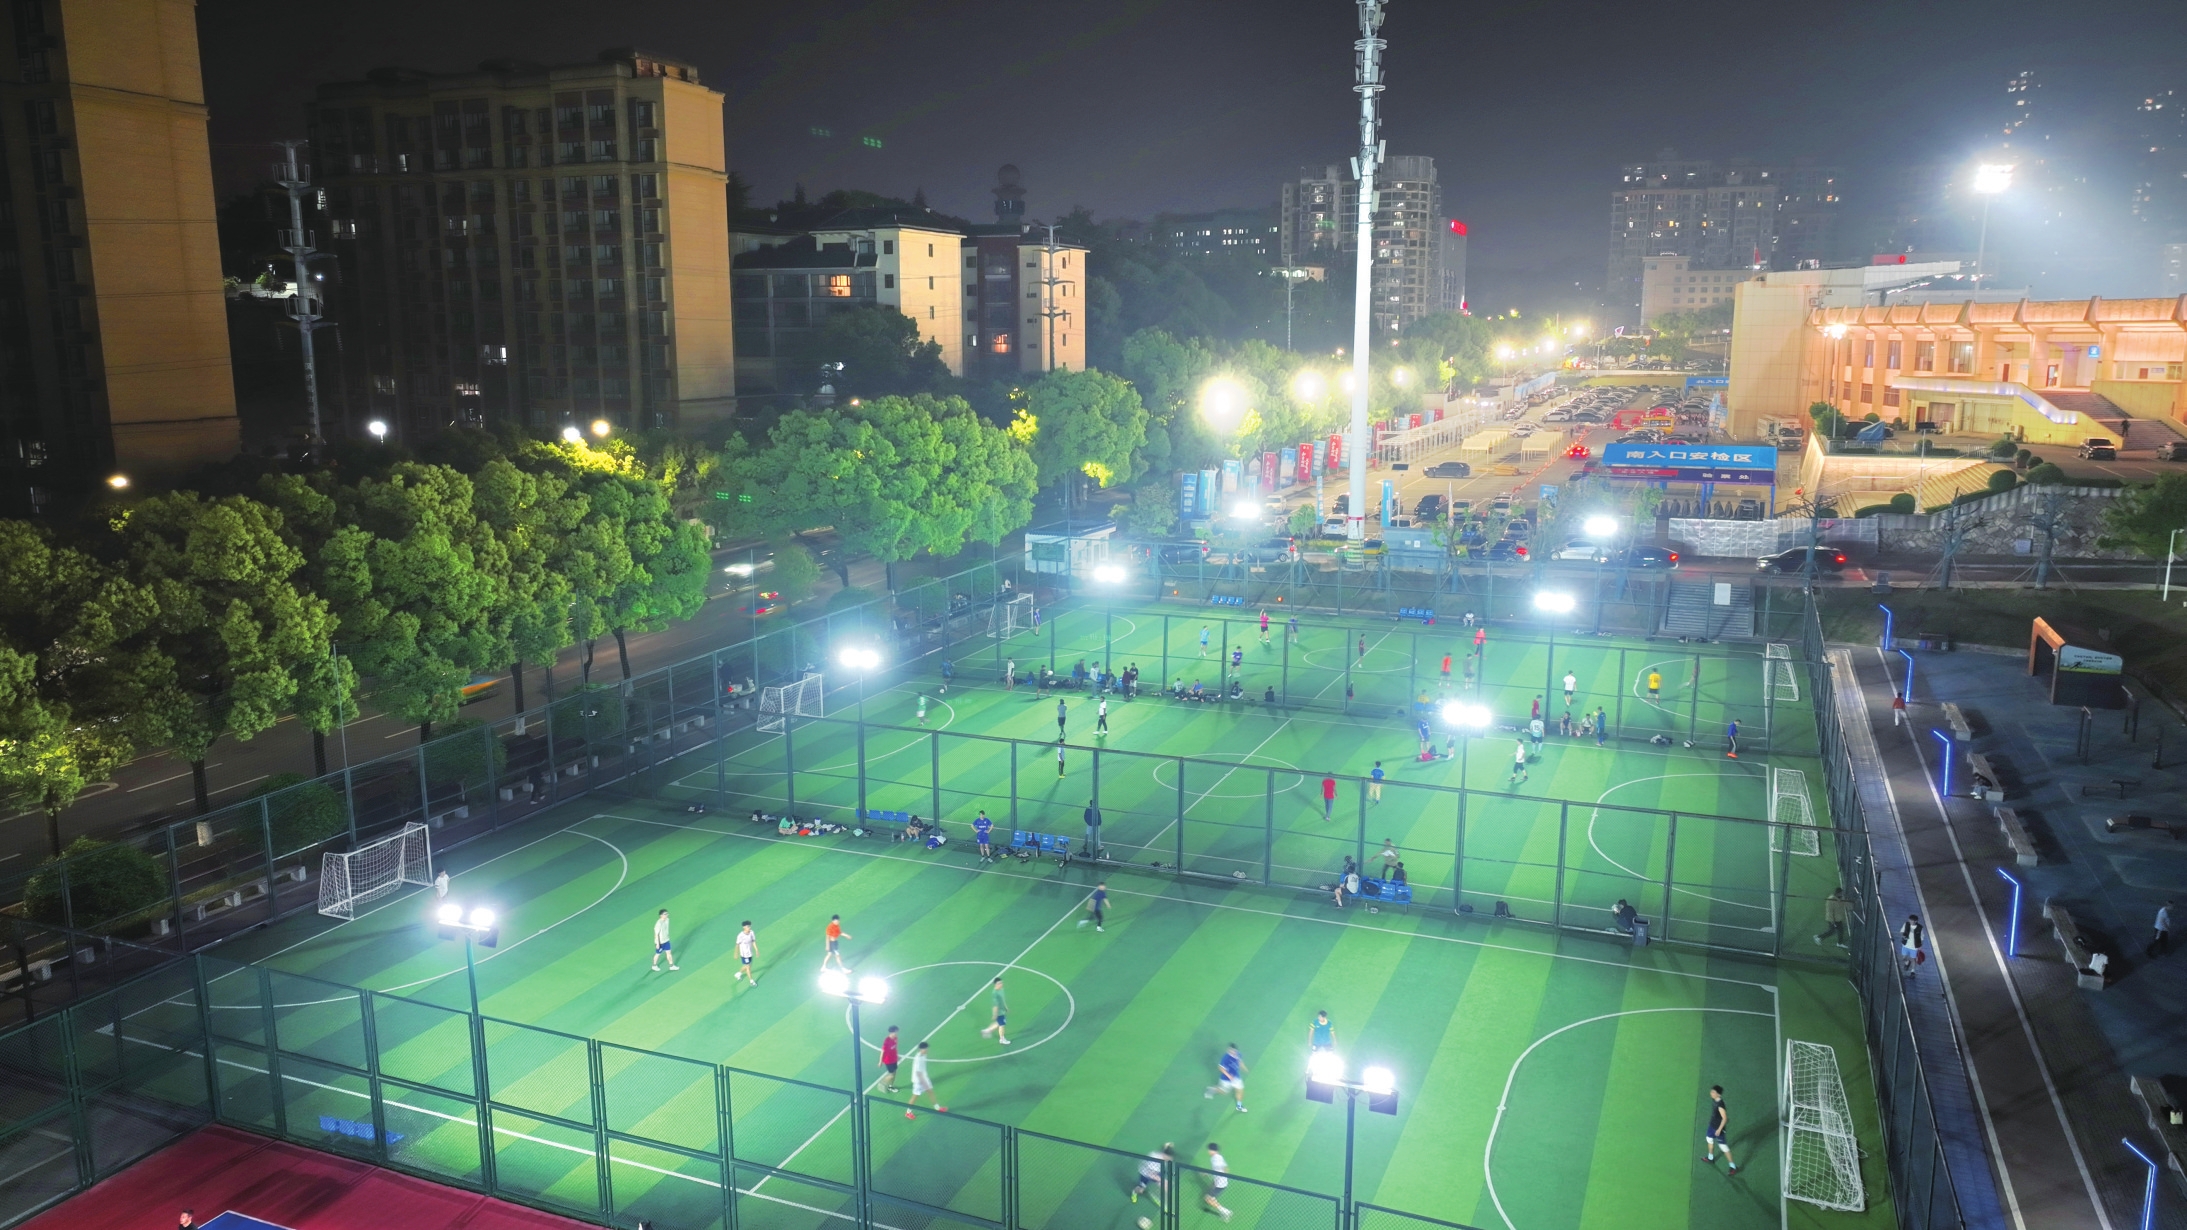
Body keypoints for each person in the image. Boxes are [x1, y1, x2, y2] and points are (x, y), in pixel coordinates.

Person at [904, 1041, 946, 1117]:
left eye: (927, 1048)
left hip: (924, 1078)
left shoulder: (923, 1055)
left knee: (930, 1092)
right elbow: (918, 1072)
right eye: (925, 1048)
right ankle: (908, 1112)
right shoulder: (918, 1059)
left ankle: (937, 1107)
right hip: (918, 1081)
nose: (927, 1050)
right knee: (915, 1096)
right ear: (921, 1049)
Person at [1703, 1086, 1737, 1173]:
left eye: (1713, 1092)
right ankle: (1710, 1158)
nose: (1711, 1093)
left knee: (1723, 1147)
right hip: (1712, 1126)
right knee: (1709, 1139)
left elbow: (1724, 1118)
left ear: (1719, 1094)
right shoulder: (1715, 1100)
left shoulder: (1720, 1105)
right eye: (1711, 1091)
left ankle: (1733, 1167)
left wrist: (1719, 1129)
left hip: (1718, 1129)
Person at [1206, 1044, 1249, 1112]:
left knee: (1240, 1091)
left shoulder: (1239, 1054)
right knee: (1224, 1092)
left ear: (1236, 1050)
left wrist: (1244, 1067)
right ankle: (1213, 1089)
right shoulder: (1226, 1058)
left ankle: (1239, 1106)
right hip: (1226, 1080)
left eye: (1233, 1051)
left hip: (1236, 1078)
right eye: (1230, 1050)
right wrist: (1229, 1076)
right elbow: (1220, 1068)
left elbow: (1240, 1061)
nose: (1231, 1052)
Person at [1203, 1143, 1233, 1221]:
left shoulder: (1215, 1160)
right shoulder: (1219, 1157)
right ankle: (1213, 1198)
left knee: (1207, 1199)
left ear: (1212, 1150)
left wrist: (1218, 1181)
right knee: (1211, 1193)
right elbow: (1226, 1169)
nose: (1208, 1152)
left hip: (1219, 1184)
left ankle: (1226, 1212)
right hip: (1221, 1182)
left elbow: (1219, 1170)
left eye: (1209, 1150)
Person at [979, 976, 1011, 1044]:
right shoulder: (995, 993)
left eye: (1001, 983)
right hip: (999, 1012)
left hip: (1002, 1010)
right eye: (999, 983)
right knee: (1002, 1025)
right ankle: (1002, 1039)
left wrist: (1006, 1007)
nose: (1001, 984)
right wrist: (995, 1014)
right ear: (996, 984)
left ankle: (987, 1030)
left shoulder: (1001, 990)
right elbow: (995, 1005)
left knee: (999, 1023)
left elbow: (1002, 1000)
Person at [735, 920, 759, 985]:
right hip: (744, 955)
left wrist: (756, 950)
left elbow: (753, 941)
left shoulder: (751, 932)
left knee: (747, 966)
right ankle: (751, 981)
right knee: (748, 967)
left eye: (750, 926)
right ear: (744, 927)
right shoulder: (740, 936)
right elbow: (737, 945)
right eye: (748, 926)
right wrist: (736, 954)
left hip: (750, 953)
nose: (749, 927)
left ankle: (738, 974)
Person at [880, 1025, 901, 1093]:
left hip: (894, 1059)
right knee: (891, 1075)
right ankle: (882, 1082)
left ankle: (890, 1086)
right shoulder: (887, 1041)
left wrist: (897, 1056)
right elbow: (883, 1052)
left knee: (894, 1073)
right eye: (896, 1032)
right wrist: (880, 1061)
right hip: (888, 1061)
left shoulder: (895, 1038)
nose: (897, 1033)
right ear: (892, 1032)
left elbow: (894, 1048)